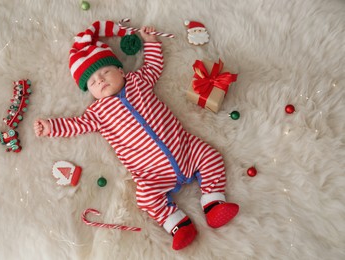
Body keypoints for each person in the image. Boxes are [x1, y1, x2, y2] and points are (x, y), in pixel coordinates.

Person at [34, 20, 239, 250]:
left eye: (105, 71)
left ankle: (213, 203)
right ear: (89, 91)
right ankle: (178, 224)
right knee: (145, 197)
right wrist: (52, 127)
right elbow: (76, 125)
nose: (100, 80)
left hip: (185, 149)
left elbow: (153, 67)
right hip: (151, 172)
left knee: (210, 156)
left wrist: (151, 43)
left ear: (121, 71)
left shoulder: (138, 81)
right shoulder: (97, 113)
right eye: (92, 81)